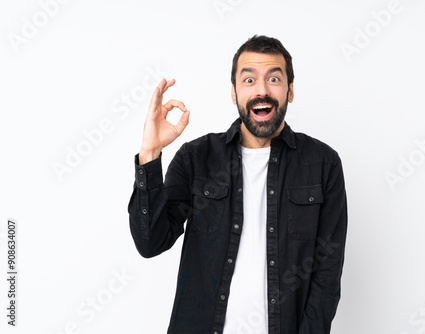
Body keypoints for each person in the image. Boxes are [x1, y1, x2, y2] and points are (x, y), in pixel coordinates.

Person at [128, 35, 348, 334]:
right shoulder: (197, 158)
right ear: (233, 92)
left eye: (274, 78)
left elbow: (326, 275)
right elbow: (150, 243)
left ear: (290, 91)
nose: (262, 90)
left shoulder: (323, 164)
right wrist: (150, 154)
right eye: (248, 80)